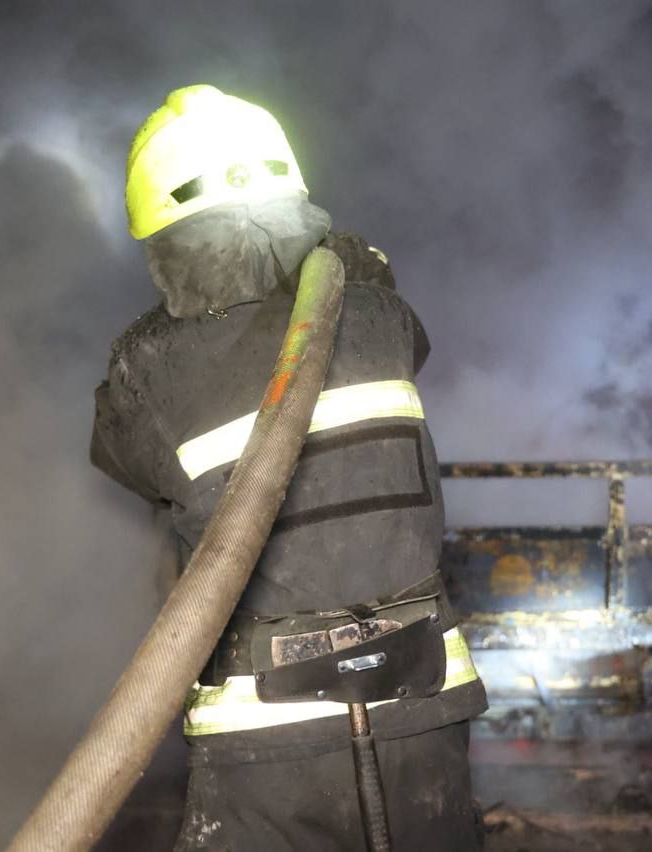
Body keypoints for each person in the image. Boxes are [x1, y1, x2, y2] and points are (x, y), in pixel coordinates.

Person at [90, 84, 487, 851]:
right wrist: (361, 276)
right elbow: (409, 341)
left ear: (164, 234)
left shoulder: (150, 369)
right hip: (425, 711)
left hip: (268, 740)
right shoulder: (378, 315)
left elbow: (118, 455)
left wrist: (157, 346)